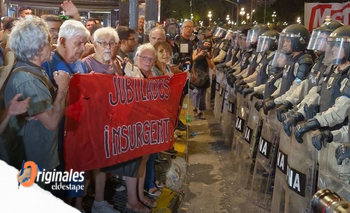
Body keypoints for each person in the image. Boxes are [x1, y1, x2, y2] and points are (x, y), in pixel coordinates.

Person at [4, 17, 70, 177]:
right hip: (34, 163)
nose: (52, 46)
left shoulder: (34, 71)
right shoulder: (28, 79)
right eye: (48, 41)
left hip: (41, 158)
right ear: (39, 48)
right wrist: (62, 88)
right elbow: (52, 123)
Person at [42, 20, 93, 213]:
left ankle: (77, 204)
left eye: (84, 43)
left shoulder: (80, 64)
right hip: (57, 133)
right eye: (78, 43)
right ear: (62, 41)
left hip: (77, 131)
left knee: (78, 168)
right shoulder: (48, 64)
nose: (82, 48)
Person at [191, 38, 214, 120]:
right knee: (196, 92)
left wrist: (207, 57)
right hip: (196, 73)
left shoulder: (210, 54)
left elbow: (211, 66)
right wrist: (199, 54)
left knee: (202, 94)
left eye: (209, 44)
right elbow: (192, 60)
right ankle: (195, 107)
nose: (207, 45)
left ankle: (201, 111)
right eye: (205, 43)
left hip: (204, 75)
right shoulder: (197, 50)